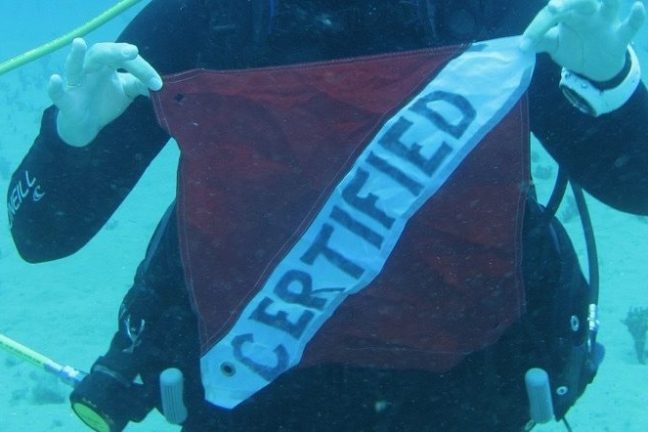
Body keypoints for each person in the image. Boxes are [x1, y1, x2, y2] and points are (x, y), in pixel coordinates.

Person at [7, 0, 648, 431]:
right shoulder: (204, 17)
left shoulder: (496, 8)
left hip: (469, 387)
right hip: (247, 389)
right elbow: (41, 233)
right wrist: (72, 140)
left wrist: (609, 81)